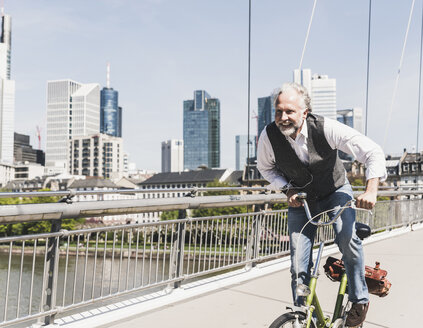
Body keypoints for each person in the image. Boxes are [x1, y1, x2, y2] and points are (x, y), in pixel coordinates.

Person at [257, 82, 386, 327]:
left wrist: (371, 190)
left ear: (304, 112)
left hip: (335, 191)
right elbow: (266, 167)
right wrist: (288, 189)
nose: (283, 118)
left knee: (347, 238)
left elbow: (373, 152)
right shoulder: (269, 135)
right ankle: (304, 316)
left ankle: (359, 299)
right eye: (278, 112)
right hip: (302, 199)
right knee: (298, 264)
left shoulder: (325, 127)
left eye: (290, 112)